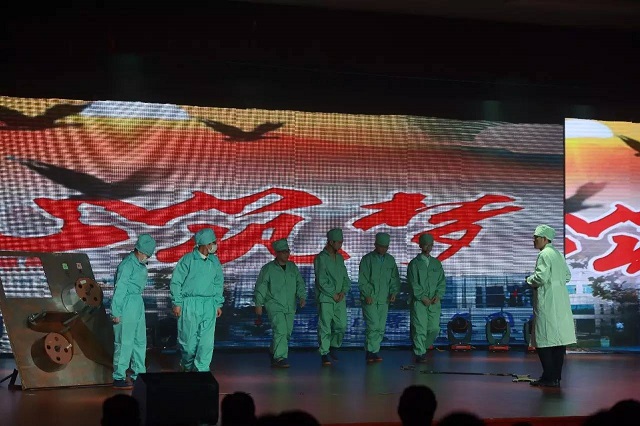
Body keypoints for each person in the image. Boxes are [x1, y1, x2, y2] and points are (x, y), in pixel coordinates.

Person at [526, 224, 576, 388]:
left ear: (544, 238)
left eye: (536, 237)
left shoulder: (544, 254)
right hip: (560, 300)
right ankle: (556, 377)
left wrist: (529, 280)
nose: (534, 240)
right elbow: (567, 276)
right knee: (558, 341)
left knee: (543, 340)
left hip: (547, 300)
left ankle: (548, 377)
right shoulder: (557, 254)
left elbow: (540, 278)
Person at [170, 228, 225, 372]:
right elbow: (176, 282)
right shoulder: (188, 260)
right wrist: (177, 302)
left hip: (209, 304)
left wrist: (217, 303)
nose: (215, 245)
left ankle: (202, 370)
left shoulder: (214, 261)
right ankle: (186, 366)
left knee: (206, 342)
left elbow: (218, 282)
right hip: (189, 304)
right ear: (205, 243)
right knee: (188, 344)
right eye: (213, 242)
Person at [111, 233, 156, 390]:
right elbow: (120, 288)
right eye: (147, 254)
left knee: (139, 341)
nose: (147, 257)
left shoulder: (140, 264)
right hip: (126, 303)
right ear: (140, 250)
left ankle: (139, 374)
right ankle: (119, 376)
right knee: (124, 341)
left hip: (137, 302)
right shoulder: (127, 265)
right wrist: (116, 311)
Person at [254, 238, 307, 368]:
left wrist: (302, 296)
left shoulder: (292, 267)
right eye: (283, 252)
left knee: (286, 332)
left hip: (290, 305)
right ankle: (280, 358)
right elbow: (261, 287)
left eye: (287, 251)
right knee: (280, 330)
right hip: (274, 305)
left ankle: (273, 350)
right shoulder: (268, 269)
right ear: (276, 253)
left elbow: (299, 283)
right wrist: (259, 304)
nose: (286, 254)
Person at [358, 232, 400, 363]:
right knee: (373, 325)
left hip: (384, 299)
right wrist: (367, 294)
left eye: (385, 247)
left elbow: (394, 278)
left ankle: (374, 351)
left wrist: (393, 292)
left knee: (380, 327)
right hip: (370, 299)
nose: (383, 249)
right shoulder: (367, 259)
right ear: (375, 245)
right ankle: (370, 351)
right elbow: (363, 279)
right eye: (381, 246)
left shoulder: (390, 260)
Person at [407, 233, 446, 363]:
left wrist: (438, 295)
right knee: (420, 328)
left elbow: (441, 282)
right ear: (420, 245)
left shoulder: (436, 264)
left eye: (431, 245)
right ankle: (419, 352)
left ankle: (421, 347)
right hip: (419, 302)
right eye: (426, 245)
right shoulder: (414, 264)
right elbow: (413, 283)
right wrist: (421, 297)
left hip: (434, 302)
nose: (428, 247)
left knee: (434, 328)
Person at [314, 227, 350, 366]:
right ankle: (324, 352)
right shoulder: (321, 258)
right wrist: (332, 293)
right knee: (325, 326)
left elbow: (345, 277)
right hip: (326, 298)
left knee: (341, 325)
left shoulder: (340, 258)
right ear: (330, 242)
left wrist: (343, 292)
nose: (340, 245)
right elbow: (321, 279)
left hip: (339, 298)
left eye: (341, 242)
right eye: (338, 242)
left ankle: (334, 346)